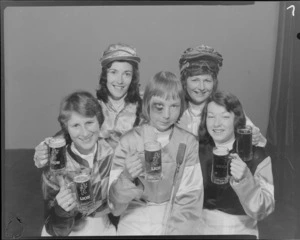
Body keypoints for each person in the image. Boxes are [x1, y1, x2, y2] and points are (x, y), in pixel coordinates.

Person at [108, 71, 203, 235]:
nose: (166, 115)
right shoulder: (129, 141)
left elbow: (190, 199)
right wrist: (126, 177)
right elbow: (114, 208)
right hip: (133, 223)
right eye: (159, 106)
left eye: (174, 106)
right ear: (147, 104)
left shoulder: (187, 142)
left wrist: (174, 233)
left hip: (174, 221)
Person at [34, 43, 142, 168]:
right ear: (105, 75)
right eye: (113, 72)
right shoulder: (93, 105)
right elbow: (67, 133)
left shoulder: (143, 108)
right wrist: (44, 149)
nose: (120, 80)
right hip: (97, 178)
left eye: (127, 74)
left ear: (133, 77)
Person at [197, 90, 275, 237]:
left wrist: (246, 181)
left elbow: (265, 209)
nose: (216, 123)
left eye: (225, 117)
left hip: (240, 232)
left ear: (236, 119)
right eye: (211, 116)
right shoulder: (197, 151)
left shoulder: (257, 154)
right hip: (200, 230)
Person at [41, 91, 117, 236]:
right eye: (75, 125)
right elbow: (52, 227)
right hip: (67, 230)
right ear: (66, 129)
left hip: (102, 227)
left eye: (89, 122)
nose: (84, 132)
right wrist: (60, 211)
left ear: (99, 121)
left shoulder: (112, 152)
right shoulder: (55, 166)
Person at [177, 44, 267, 147]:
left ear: (214, 82)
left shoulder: (225, 106)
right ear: (184, 82)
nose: (201, 87)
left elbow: (260, 142)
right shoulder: (175, 108)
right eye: (195, 80)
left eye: (207, 80)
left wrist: (255, 136)